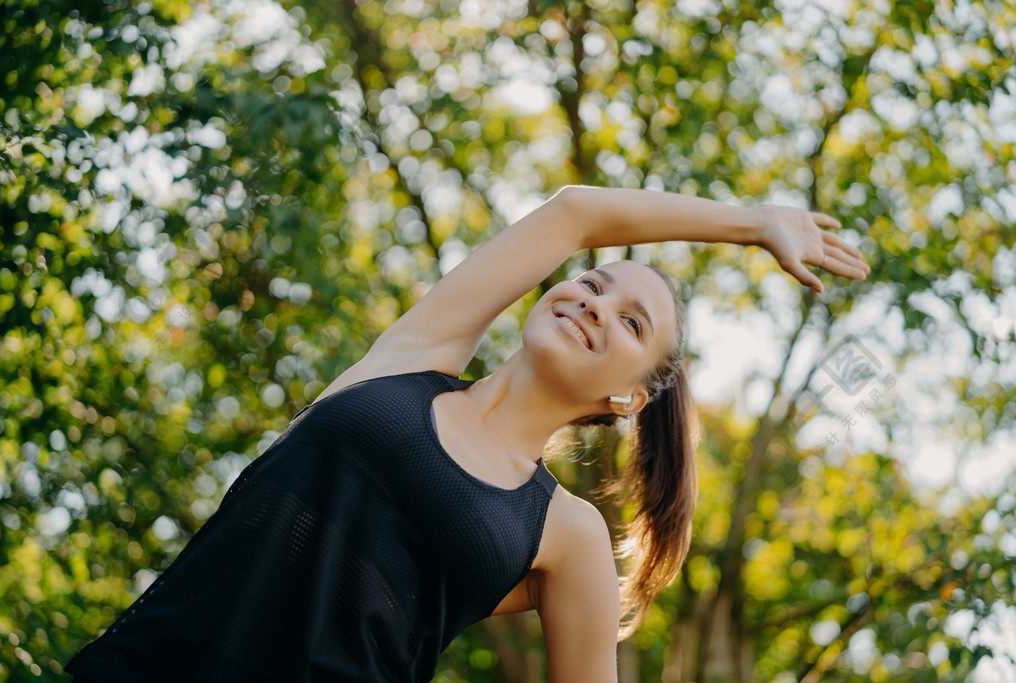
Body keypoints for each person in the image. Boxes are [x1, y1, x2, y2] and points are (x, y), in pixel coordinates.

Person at [65, 184, 869, 682]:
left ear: (628, 396)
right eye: (591, 283)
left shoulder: (564, 531)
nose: (592, 302)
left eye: (630, 320)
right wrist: (752, 221)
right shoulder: (413, 358)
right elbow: (576, 212)